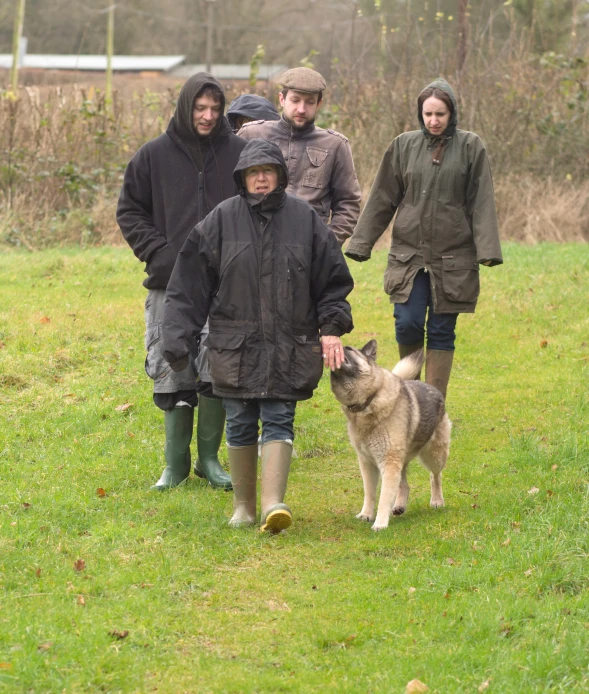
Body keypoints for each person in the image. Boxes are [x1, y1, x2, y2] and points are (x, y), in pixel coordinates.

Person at [162, 138, 354, 533]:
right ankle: (243, 508)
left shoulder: (305, 220)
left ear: (280, 177)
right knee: (239, 421)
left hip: (291, 343)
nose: (261, 179)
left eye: (268, 171)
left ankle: (273, 505)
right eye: (254, 173)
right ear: (243, 179)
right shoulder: (219, 221)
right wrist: (177, 336)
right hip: (235, 346)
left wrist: (332, 328)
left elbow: (332, 282)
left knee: (280, 417)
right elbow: (189, 284)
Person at [116, 73, 247, 491]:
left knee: (216, 364)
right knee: (170, 365)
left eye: (214, 109)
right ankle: (175, 465)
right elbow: (130, 211)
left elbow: (258, 207)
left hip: (223, 284)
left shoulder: (239, 154)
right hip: (168, 284)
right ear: (185, 107)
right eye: (199, 108)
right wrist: (160, 252)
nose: (207, 116)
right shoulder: (152, 155)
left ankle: (209, 461)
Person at [345, 78, 503, 400]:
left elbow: (481, 201)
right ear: (420, 113)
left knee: (443, 330)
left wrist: (487, 250)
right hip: (409, 257)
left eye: (440, 114)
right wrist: (361, 243)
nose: (434, 120)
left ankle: (433, 404)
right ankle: (411, 396)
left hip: (454, 258)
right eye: (428, 113)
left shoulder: (471, 147)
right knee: (408, 323)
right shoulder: (403, 146)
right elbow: (382, 198)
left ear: (452, 113)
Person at [237, 67, 361, 246]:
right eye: (295, 100)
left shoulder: (335, 145)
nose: (301, 109)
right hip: (253, 244)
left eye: (310, 102)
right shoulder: (251, 135)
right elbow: (230, 191)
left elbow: (348, 203)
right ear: (282, 99)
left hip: (308, 249)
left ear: (319, 104)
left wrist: (327, 244)